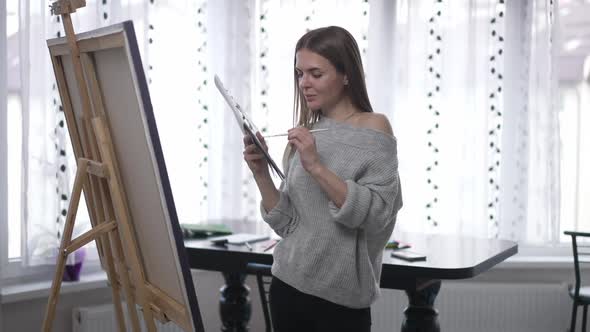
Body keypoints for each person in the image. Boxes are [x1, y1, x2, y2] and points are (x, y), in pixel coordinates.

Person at [243, 26, 403, 332]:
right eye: (300, 74)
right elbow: (287, 223)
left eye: (316, 74)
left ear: (347, 75)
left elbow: (379, 216)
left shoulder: (375, 129)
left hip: (341, 301)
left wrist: (316, 166)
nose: (304, 83)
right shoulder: (306, 132)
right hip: (286, 285)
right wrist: (261, 173)